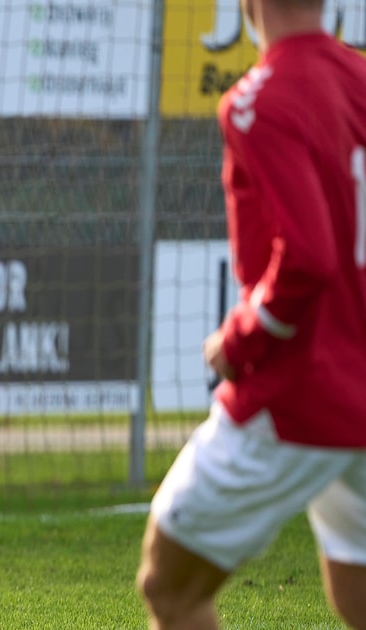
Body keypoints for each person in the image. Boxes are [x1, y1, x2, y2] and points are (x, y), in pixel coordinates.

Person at [135, 0, 366, 628]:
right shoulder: (360, 80)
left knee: (168, 585)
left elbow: (309, 260)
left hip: (298, 392)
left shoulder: (257, 101)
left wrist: (238, 341)